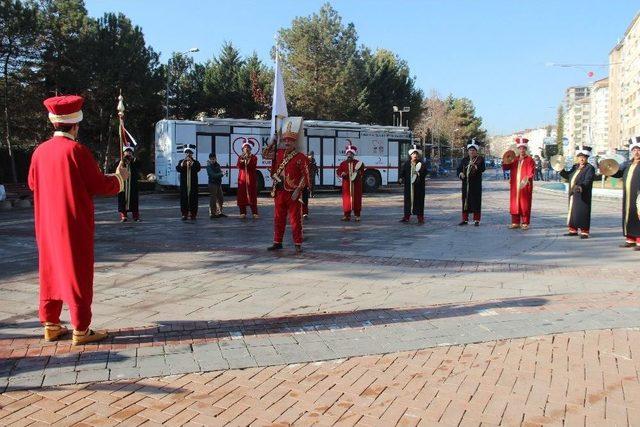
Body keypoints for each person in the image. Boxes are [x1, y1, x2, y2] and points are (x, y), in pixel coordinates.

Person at [28, 95, 129, 345]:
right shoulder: (77, 151)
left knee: (50, 271)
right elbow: (98, 185)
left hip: (46, 223)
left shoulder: (40, 152)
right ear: (75, 124)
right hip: (73, 223)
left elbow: (32, 183)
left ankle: (51, 323)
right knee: (77, 272)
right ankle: (81, 328)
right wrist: (119, 178)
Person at [263, 117, 310, 253]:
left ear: (295, 142)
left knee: (295, 220)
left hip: (293, 193)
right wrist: (273, 141)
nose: (287, 142)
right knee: (278, 218)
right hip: (279, 191)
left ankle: (297, 243)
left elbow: (305, 176)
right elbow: (265, 155)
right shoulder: (278, 153)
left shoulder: (301, 157)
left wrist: (299, 190)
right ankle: (277, 242)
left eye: (290, 140)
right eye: (285, 140)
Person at [560, 147, 596, 238]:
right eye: (580, 157)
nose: (582, 159)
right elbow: (569, 176)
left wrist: (581, 186)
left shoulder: (589, 168)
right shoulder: (575, 167)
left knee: (583, 212)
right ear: (577, 158)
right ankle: (573, 230)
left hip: (582, 194)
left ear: (587, 157)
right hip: (573, 194)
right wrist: (560, 170)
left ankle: (584, 231)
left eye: (584, 157)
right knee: (573, 212)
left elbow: (588, 180)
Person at [612, 137, 640, 250]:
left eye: (639, 149)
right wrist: (608, 168)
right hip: (628, 196)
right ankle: (630, 239)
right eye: (634, 150)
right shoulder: (628, 164)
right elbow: (617, 172)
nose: (637, 152)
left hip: (638, 196)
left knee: (638, 217)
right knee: (629, 216)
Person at [503, 137, 535, 229]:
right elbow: (506, 167)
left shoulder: (530, 160)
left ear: (526, 149)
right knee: (514, 203)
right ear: (518, 149)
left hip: (524, 185)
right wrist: (506, 160)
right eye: (520, 148)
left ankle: (525, 222)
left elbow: (531, 172)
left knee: (524, 204)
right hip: (514, 185)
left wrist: (527, 178)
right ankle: (515, 222)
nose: (522, 150)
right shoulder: (514, 159)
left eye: (523, 148)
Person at [457, 139, 486, 226]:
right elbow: (458, 169)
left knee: (476, 202)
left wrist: (475, 166)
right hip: (466, 184)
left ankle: (476, 220)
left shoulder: (480, 159)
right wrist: (460, 173)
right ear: (468, 151)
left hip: (475, 185)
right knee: (465, 201)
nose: (472, 152)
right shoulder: (464, 159)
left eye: (473, 150)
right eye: (470, 150)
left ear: (476, 151)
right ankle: (465, 219)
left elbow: (483, 169)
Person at [399, 146, 427, 224]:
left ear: (419, 155)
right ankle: (406, 217)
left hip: (419, 188)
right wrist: (401, 178)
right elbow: (402, 173)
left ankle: (420, 218)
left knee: (419, 202)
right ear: (411, 155)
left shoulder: (422, 164)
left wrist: (419, 173)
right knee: (408, 202)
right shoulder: (406, 164)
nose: (415, 155)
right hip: (408, 187)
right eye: (413, 153)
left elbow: (425, 173)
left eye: (416, 154)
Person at [112, 146, 140, 222]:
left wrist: (133, 159)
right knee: (122, 200)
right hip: (123, 184)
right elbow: (116, 170)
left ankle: (136, 216)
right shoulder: (120, 162)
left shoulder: (134, 161)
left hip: (132, 185)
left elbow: (139, 168)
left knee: (134, 200)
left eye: (130, 152)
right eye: (127, 152)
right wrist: (122, 161)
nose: (128, 153)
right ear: (123, 153)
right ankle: (124, 216)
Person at [336, 144, 364, 221]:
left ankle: (357, 215)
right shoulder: (343, 164)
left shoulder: (359, 163)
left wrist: (358, 174)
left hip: (356, 185)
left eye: (351, 154)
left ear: (353, 154)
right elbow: (339, 171)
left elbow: (362, 172)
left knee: (357, 200)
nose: (349, 155)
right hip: (346, 185)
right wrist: (341, 174)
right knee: (346, 200)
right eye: (348, 154)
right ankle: (346, 215)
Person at [176, 144, 201, 220]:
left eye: (189, 153)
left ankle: (193, 214)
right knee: (184, 199)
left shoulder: (196, 162)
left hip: (193, 184)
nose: (188, 154)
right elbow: (178, 169)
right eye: (187, 153)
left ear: (192, 154)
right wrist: (182, 164)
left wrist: (192, 163)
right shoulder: (181, 161)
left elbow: (198, 169)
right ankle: (184, 214)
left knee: (193, 199)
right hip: (184, 184)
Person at [237, 140, 259, 219]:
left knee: (252, 195)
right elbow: (239, 166)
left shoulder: (254, 157)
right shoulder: (240, 157)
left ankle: (254, 212)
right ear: (242, 149)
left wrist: (247, 160)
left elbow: (252, 166)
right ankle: (242, 212)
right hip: (242, 179)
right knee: (242, 196)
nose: (246, 149)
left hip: (251, 179)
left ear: (250, 149)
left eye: (248, 147)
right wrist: (242, 161)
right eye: (245, 147)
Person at [206, 153, 225, 218]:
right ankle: (212, 213)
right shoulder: (208, 166)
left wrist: (220, 173)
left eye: (213, 159)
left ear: (216, 159)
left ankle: (220, 212)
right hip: (212, 183)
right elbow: (212, 175)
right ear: (209, 159)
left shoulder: (217, 165)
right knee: (213, 199)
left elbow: (218, 172)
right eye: (211, 159)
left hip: (218, 184)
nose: (212, 160)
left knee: (221, 198)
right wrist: (221, 174)